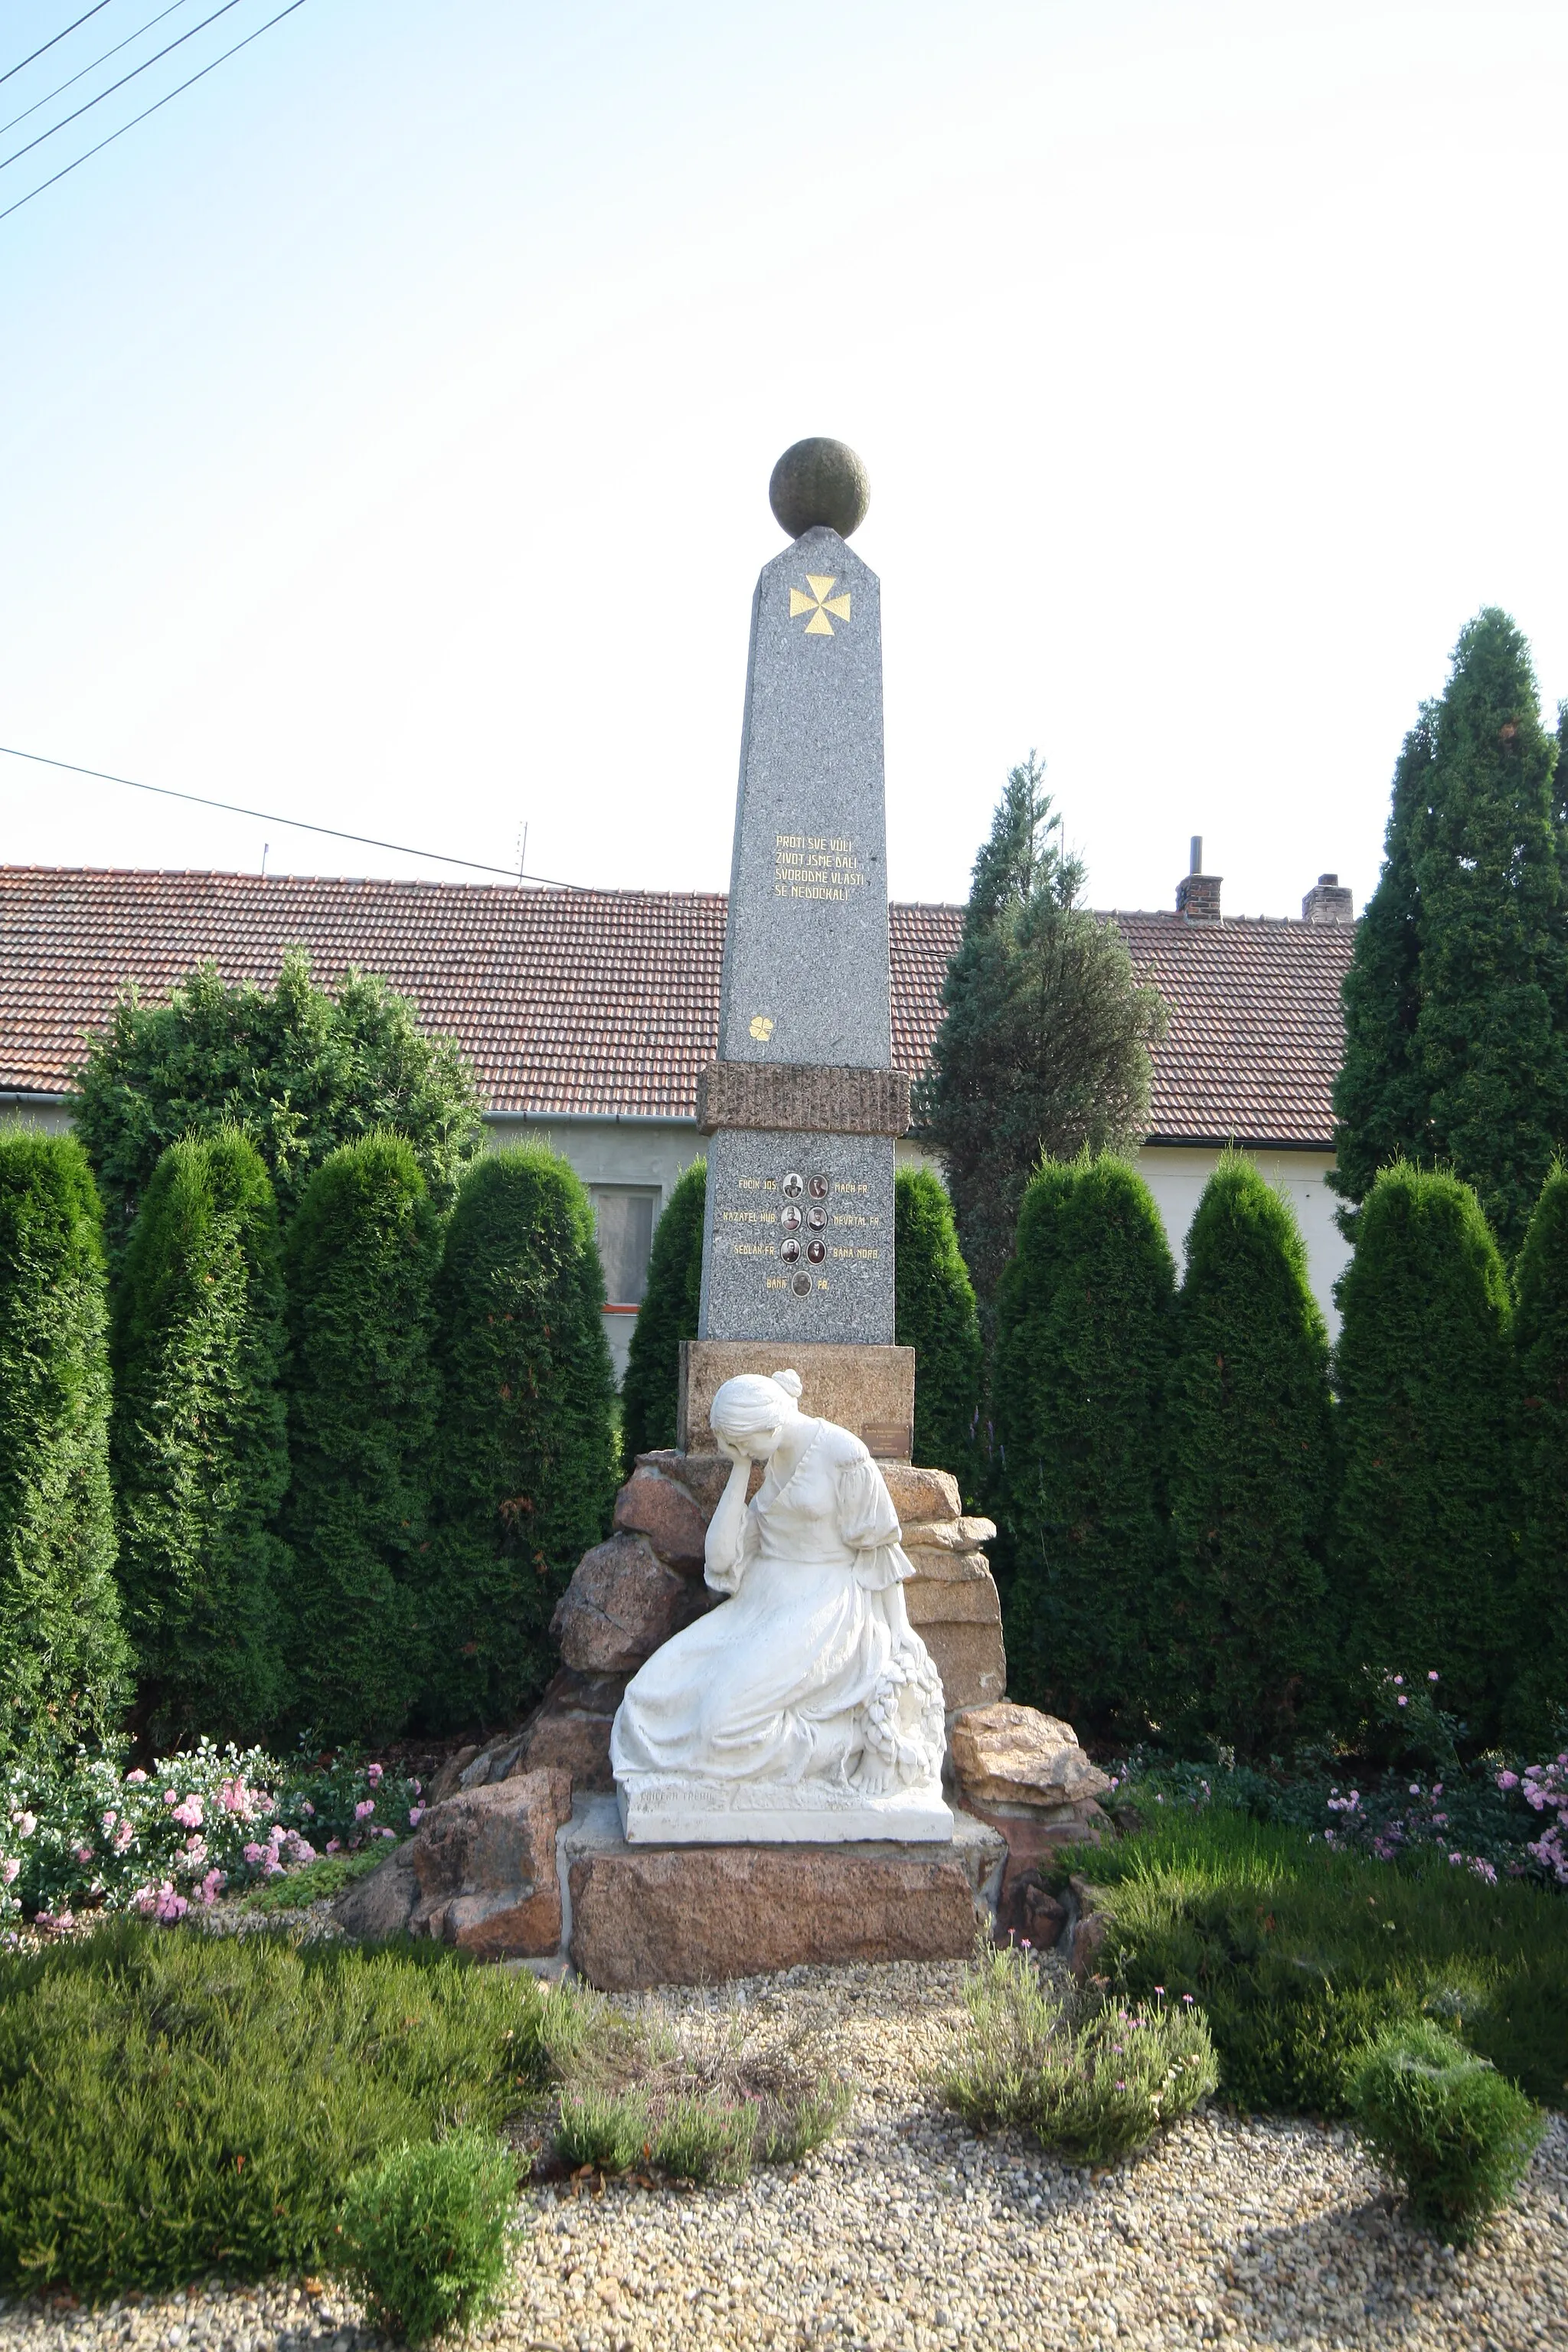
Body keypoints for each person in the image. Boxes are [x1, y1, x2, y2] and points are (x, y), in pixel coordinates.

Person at [610, 1369, 946, 1805]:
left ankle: (843, 1741)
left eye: (740, 1443)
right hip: (762, 1600)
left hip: (823, 1606)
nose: (737, 1451)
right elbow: (722, 1560)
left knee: (723, 1725)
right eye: (731, 1446)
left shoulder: (845, 1455)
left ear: (769, 1426)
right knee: (646, 1699)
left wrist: (898, 1634)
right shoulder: (767, 1459)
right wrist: (739, 1469)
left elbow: (881, 1551)